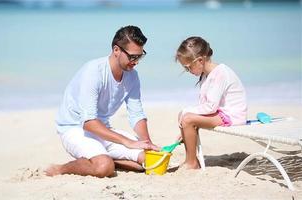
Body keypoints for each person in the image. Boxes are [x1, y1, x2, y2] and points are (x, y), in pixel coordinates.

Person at [45, 25, 159, 178]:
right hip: (75, 128)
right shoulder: (93, 72)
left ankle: (108, 158)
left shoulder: (132, 76)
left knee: (149, 161)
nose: (136, 62)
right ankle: (59, 169)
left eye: (139, 56)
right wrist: (128, 142)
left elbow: (137, 114)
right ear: (116, 50)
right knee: (104, 167)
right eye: (132, 57)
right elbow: (88, 122)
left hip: (103, 130)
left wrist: (147, 144)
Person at [175, 36, 247, 169]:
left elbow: (210, 107)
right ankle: (190, 158)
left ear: (200, 60)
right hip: (220, 112)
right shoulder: (205, 75)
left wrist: (187, 114)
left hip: (232, 115)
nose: (188, 71)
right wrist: (185, 131)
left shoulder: (220, 73)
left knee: (188, 118)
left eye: (188, 67)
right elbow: (204, 105)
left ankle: (192, 163)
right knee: (185, 117)